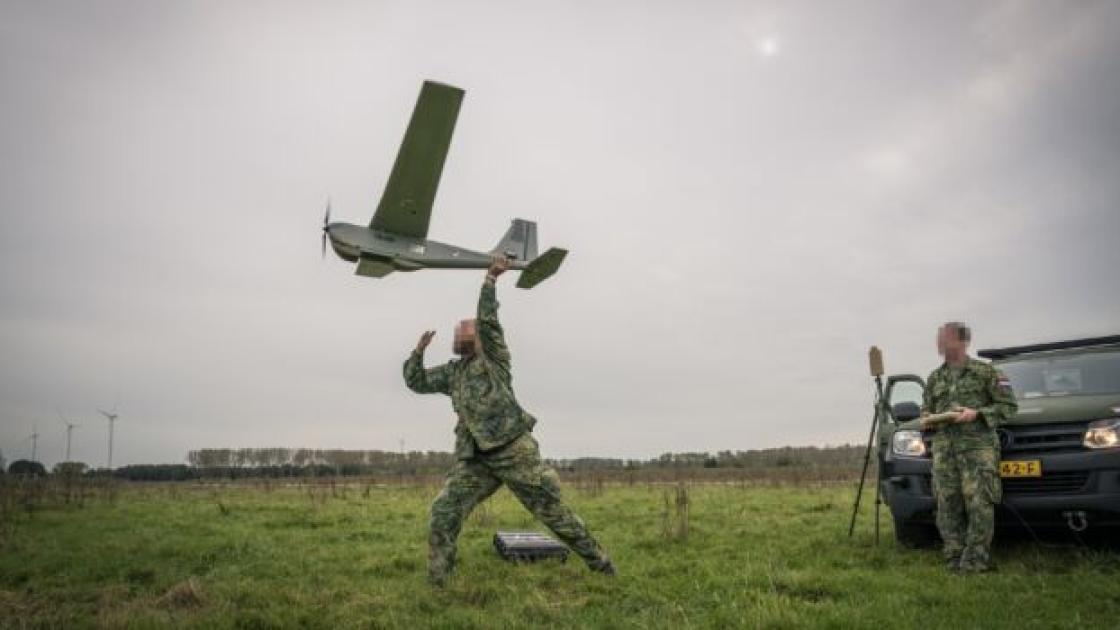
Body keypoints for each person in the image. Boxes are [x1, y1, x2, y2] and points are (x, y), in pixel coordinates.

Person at [404, 256, 615, 585]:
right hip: (477, 459)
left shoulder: (493, 358)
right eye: (458, 329)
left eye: (467, 328)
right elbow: (416, 382)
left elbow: (488, 323)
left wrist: (490, 280)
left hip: (514, 452)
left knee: (553, 513)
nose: (460, 331)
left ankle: (601, 565)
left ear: (479, 337)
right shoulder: (452, 373)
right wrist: (418, 352)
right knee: (444, 510)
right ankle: (440, 581)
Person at [921, 321, 1018, 573]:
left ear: (963, 341)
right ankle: (954, 558)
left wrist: (978, 414)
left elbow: (1008, 407)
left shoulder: (987, 372)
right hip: (944, 451)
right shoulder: (934, 378)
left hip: (977, 449)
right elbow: (927, 408)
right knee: (947, 503)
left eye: (945, 337)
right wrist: (927, 418)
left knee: (979, 503)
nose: (940, 342)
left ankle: (975, 561)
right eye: (939, 337)